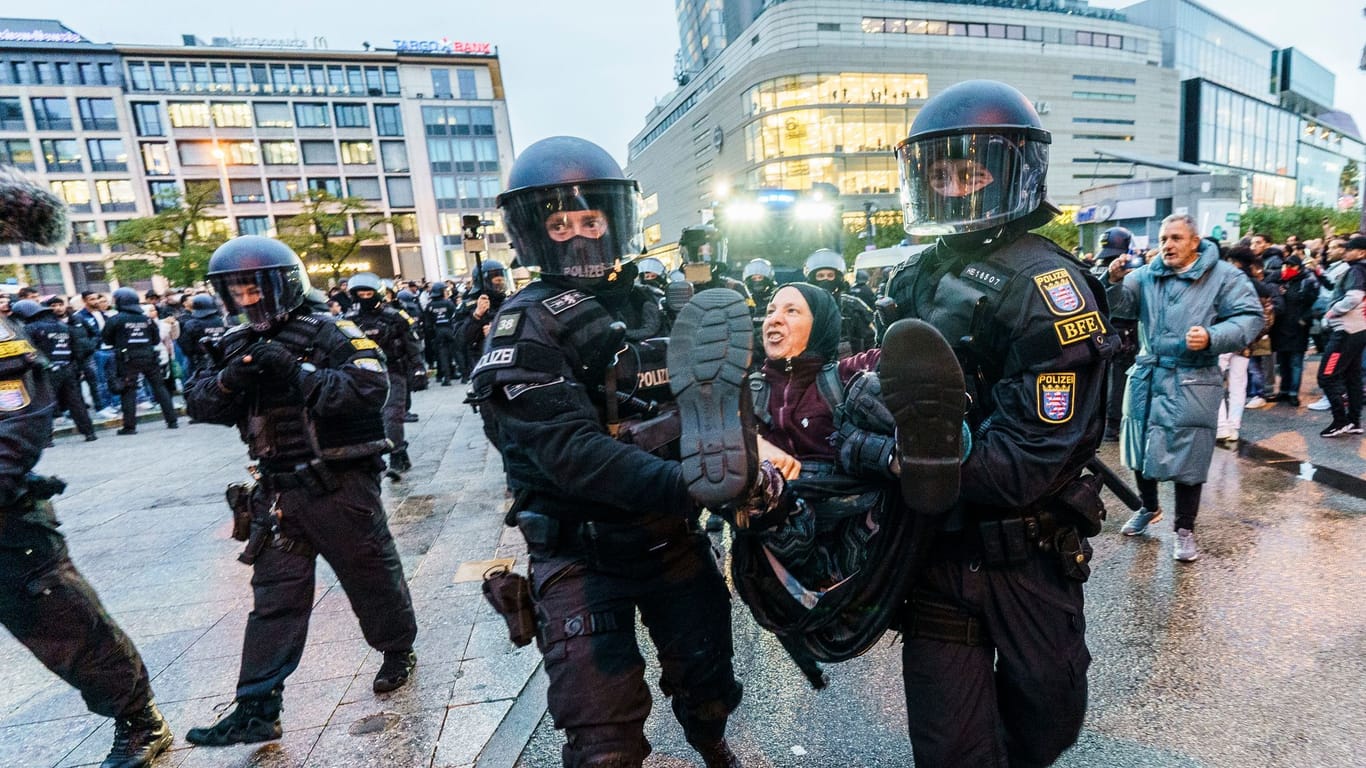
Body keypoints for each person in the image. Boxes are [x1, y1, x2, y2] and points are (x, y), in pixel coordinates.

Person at [471, 135, 746, 768]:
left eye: (589, 220)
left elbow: (717, 405)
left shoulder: (660, 307)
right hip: (579, 554)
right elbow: (573, 454)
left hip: (671, 539)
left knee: (709, 689)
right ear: (532, 232)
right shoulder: (527, 324)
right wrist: (701, 484)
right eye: (558, 223)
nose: (575, 237)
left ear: (614, 221)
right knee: (602, 741)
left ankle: (713, 743)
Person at [880, 79, 1115, 767]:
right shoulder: (915, 277)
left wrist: (897, 458)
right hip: (938, 551)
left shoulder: (1051, 290)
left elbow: (1024, 465)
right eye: (940, 173)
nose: (953, 188)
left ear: (1013, 172)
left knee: (1047, 721)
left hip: (1029, 558)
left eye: (971, 171)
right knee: (950, 749)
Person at [183, 236, 418, 746]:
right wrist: (230, 379)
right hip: (276, 492)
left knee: (371, 576)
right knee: (274, 599)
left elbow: (367, 390)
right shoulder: (233, 342)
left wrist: (297, 371)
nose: (248, 300)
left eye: (255, 288)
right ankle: (257, 706)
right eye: (236, 292)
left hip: (339, 485)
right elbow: (200, 401)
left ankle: (397, 650)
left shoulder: (331, 331)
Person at [0, 165, 172, 768]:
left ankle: (137, 719)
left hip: (7, 523)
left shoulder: (3, 338)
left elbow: (18, 422)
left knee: (63, 628)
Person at [1108, 214, 1263, 560]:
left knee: (1190, 458)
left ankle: (1185, 528)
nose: (1168, 245)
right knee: (1139, 449)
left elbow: (1251, 317)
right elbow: (1118, 309)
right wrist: (1113, 281)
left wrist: (1213, 336)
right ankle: (1148, 507)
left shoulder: (1224, 276)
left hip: (1193, 379)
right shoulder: (1146, 275)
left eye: (1176, 238)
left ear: (1195, 242)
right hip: (1148, 374)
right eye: (1164, 238)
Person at [346, 272, 421, 478]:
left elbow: (411, 342)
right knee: (369, 417)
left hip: (394, 370)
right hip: (362, 374)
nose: (365, 296)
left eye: (368, 292)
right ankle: (375, 457)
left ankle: (397, 454)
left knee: (392, 415)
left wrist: (418, 368)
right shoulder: (349, 320)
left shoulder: (395, 316)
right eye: (360, 293)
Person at [11, 299, 98, 441]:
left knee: (44, 404)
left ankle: (47, 438)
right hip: (67, 368)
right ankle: (89, 432)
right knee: (75, 402)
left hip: (45, 370)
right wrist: (77, 366)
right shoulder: (62, 326)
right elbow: (76, 348)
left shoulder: (31, 328)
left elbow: (28, 350)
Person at [101, 288, 177, 435]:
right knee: (159, 388)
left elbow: (107, 339)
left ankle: (129, 427)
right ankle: (172, 420)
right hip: (149, 356)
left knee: (128, 390)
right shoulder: (146, 319)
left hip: (127, 359)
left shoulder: (116, 319)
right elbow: (155, 339)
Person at [1092, 227, 1140, 441]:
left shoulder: (1094, 270)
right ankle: (1111, 426)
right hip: (1120, 334)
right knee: (1116, 383)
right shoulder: (1125, 275)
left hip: (1102, 335)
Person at [1315, 235, 1366, 436]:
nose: (1345, 252)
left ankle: (1340, 421)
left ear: (1361, 252)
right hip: (1358, 330)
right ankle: (1354, 421)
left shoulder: (1356, 270)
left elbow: (1353, 297)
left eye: (1348, 249)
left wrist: (1332, 311)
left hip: (1346, 331)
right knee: (1352, 377)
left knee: (1327, 376)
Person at [803, 249, 875, 356]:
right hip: (811, 365)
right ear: (813, 278)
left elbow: (870, 340)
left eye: (830, 275)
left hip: (847, 367)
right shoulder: (803, 306)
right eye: (820, 276)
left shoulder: (853, 305)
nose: (825, 279)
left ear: (837, 278)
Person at [178, 293, 227, 378]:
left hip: (203, 363)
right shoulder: (222, 321)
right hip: (224, 360)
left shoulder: (191, 324)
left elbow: (186, 347)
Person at [423, 283, 459, 385]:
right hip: (449, 330)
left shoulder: (430, 305)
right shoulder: (448, 303)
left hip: (437, 332)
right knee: (453, 353)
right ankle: (459, 374)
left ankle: (446, 378)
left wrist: (430, 335)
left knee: (442, 355)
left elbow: (427, 322)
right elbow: (455, 315)